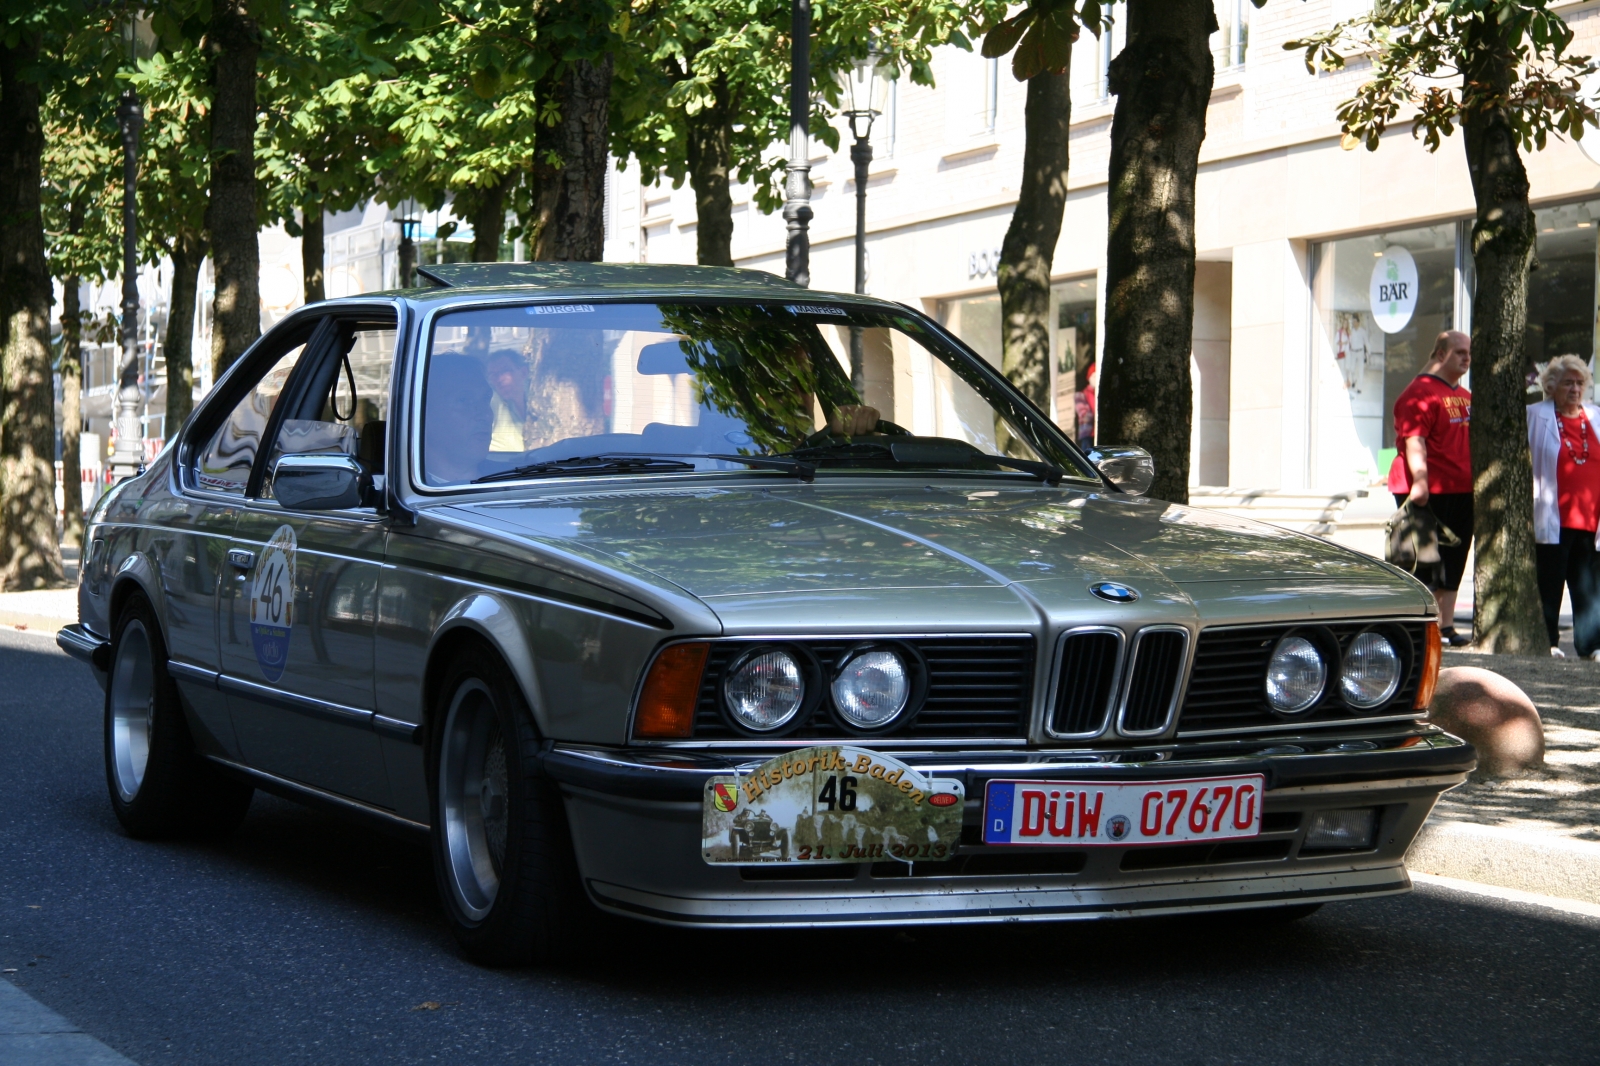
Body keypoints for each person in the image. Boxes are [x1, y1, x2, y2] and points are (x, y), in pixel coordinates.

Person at [1386, 330, 1473, 645]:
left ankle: (1446, 627)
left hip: (1462, 488)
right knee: (1423, 563)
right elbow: (1414, 441)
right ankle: (1421, 631)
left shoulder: (1465, 396)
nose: (1466, 357)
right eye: (1459, 351)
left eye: (1469, 352)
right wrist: (1420, 483)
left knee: (1455, 560)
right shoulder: (1419, 392)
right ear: (1440, 354)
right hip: (1428, 491)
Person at [1526, 354, 1600, 659]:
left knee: (1589, 589)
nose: (1574, 388)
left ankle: (1591, 645)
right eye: (1568, 382)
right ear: (1552, 385)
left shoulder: (1596, 416)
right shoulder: (1535, 414)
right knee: (1549, 583)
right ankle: (1549, 642)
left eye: (1580, 382)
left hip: (1590, 518)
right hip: (1551, 516)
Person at [423, 354, 494, 484]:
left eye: (486, 399)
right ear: (424, 415)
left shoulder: (517, 477)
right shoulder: (392, 494)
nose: (486, 415)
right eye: (464, 400)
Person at [485, 349, 530, 453]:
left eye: (505, 371)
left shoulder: (542, 399)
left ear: (523, 372)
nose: (499, 379)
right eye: (493, 375)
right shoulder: (489, 404)